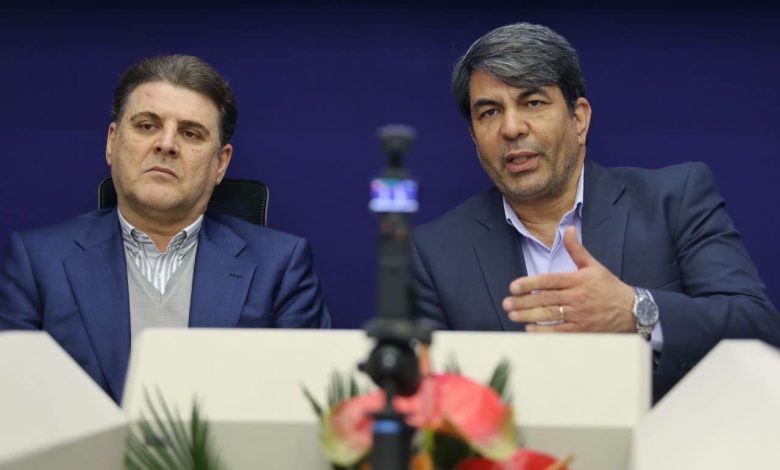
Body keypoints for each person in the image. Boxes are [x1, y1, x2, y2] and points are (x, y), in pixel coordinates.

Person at [410, 23, 780, 401]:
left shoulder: (673, 201)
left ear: (579, 119)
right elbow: (424, 398)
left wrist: (636, 311)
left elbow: (758, 329)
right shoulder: (435, 254)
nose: (511, 128)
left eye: (533, 103)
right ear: (474, 137)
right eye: (489, 112)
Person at [0, 55, 331, 402]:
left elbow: (309, 406)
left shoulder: (281, 266)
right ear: (112, 142)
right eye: (147, 126)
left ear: (220, 163)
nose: (166, 144)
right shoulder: (37, 263)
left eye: (190, 133)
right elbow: (14, 405)